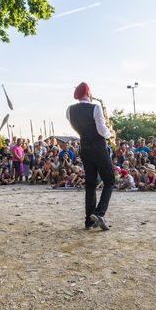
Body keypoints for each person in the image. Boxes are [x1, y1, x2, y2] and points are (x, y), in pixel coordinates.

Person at [66, 82, 113, 231]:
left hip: (84, 148)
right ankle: (99, 213)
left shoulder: (69, 110)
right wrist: (110, 133)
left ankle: (89, 220)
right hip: (98, 147)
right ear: (88, 93)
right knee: (110, 180)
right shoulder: (95, 107)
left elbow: (76, 128)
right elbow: (101, 130)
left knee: (90, 184)